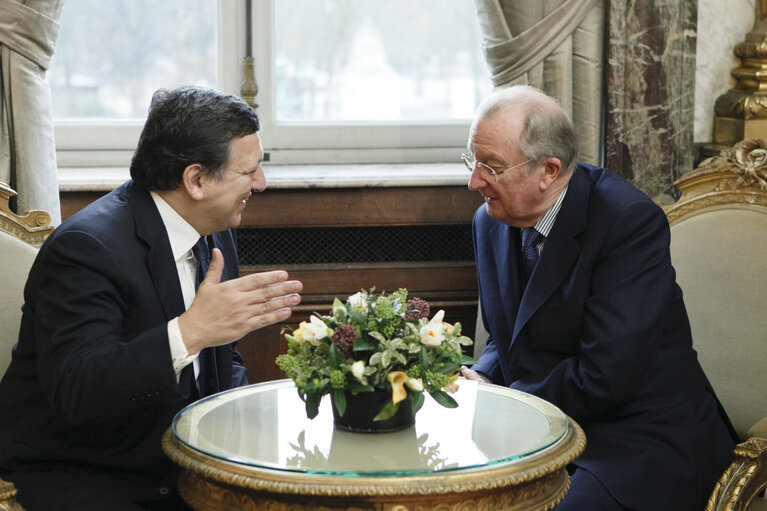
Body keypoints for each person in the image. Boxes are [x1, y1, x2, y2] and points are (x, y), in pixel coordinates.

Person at [0, 86, 303, 511]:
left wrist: (248, 441)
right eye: (249, 171)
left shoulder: (215, 227)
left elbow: (221, 361)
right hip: (86, 470)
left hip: (185, 462)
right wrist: (188, 332)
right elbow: (76, 389)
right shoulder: (87, 248)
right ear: (195, 179)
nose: (262, 183)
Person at [460, 85, 736, 510]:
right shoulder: (489, 220)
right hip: (545, 420)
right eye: (472, 161)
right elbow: (509, 333)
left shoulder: (627, 223)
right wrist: (485, 378)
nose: (473, 181)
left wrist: (507, 399)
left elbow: (607, 375)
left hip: (638, 434)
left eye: (491, 167)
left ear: (548, 171)